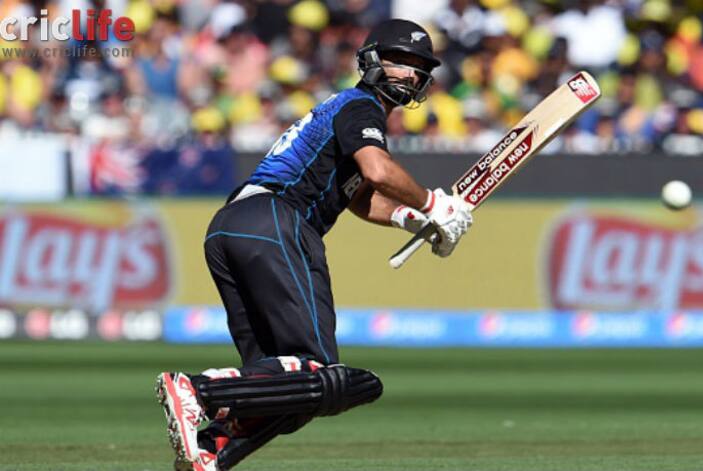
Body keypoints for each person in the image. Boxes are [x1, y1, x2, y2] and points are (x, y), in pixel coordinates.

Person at [155, 19, 473, 471]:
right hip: (276, 220)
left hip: (231, 228)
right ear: (372, 60)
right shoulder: (361, 106)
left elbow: (360, 195)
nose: (409, 73)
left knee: (288, 392)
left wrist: (412, 217)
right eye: (400, 60)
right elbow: (379, 170)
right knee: (319, 372)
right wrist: (433, 202)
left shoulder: (346, 110)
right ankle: (198, 391)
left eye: (419, 67)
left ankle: (210, 454)